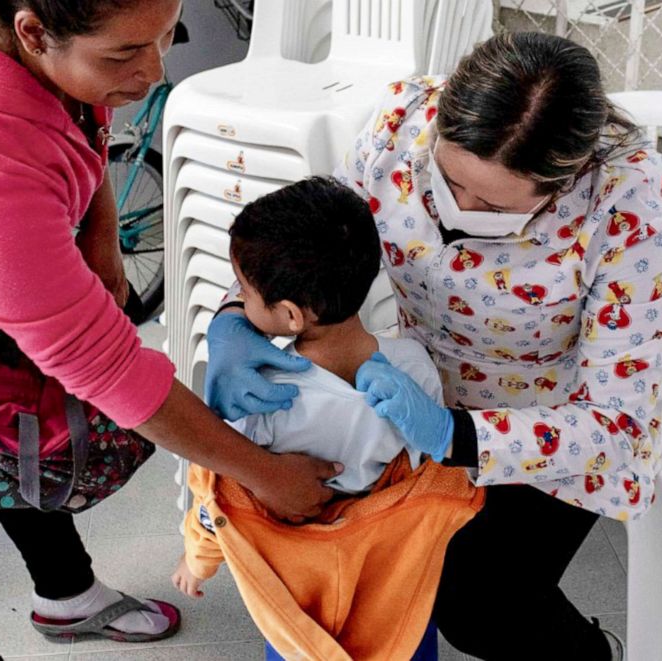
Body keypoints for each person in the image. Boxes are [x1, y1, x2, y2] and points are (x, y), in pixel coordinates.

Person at [0, 1, 339, 659]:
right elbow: (110, 368)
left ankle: (67, 595)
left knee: (19, 430)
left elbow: (81, 110)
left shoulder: (25, 28)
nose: (152, 70)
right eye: (123, 55)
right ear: (33, 31)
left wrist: (101, 227)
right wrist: (266, 473)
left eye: (164, 37)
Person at [204, 32, 662, 661]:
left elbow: (618, 422)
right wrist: (233, 318)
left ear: (562, 184)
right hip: (419, 384)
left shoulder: (632, 201)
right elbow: (313, 245)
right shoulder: (401, 125)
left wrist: (454, 435)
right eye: (450, 179)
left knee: (478, 602)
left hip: (556, 427)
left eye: (490, 203)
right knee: (374, 566)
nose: (458, 210)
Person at [171, 177, 483, 660]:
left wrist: (198, 560)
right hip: (392, 573)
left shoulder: (258, 393)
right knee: (406, 641)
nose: (240, 303)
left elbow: (222, 498)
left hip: (301, 583)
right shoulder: (412, 365)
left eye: (246, 294)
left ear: (292, 315)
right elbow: (426, 468)